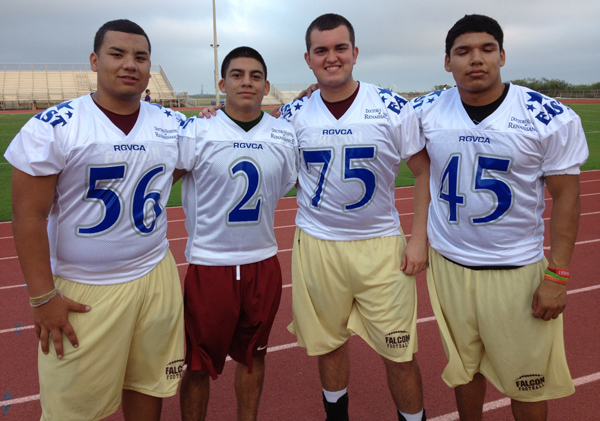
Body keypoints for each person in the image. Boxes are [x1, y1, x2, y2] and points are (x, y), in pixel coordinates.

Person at [410, 14, 589, 421]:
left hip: (515, 270)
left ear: (502, 55)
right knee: (464, 372)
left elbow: (567, 199)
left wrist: (558, 276)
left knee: (526, 382)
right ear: (447, 62)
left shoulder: (547, 117)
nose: (476, 59)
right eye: (463, 51)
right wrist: (318, 93)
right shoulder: (425, 110)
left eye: (487, 49)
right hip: (449, 265)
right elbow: (367, 117)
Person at [5, 19, 185, 421]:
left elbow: (190, 163)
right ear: (94, 60)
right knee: (72, 410)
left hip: (155, 275)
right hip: (84, 287)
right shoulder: (55, 126)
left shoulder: (173, 126)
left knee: (148, 383)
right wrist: (42, 296)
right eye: (117, 54)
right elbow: (28, 216)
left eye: (140, 57)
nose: (129, 64)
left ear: (149, 66)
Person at [282, 13, 429, 421]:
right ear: (308, 59)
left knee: (400, 351)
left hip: (380, 245)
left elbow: (421, 170)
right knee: (329, 344)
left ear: (355, 52)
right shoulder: (294, 115)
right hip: (317, 244)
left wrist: (419, 238)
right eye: (321, 50)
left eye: (340, 48)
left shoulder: (390, 107)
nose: (332, 58)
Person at [175, 46, 299, 421]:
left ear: (266, 85)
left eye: (255, 76)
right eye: (238, 74)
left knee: (253, 357)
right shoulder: (199, 129)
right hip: (211, 265)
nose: (247, 82)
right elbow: (167, 179)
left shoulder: (284, 133)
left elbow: (282, 186)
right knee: (198, 365)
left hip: (262, 261)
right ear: (222, 83)